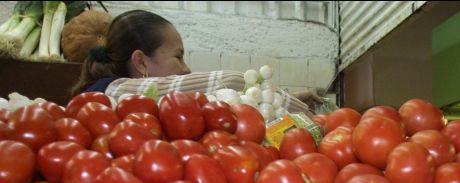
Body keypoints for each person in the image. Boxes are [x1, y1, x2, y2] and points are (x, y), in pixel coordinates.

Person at [71, 10, 322, 109]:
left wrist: (285, 95)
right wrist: (296, 107)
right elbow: (232, 83)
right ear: (141, 63)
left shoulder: (145, 99)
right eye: (178, 56)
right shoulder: (112, 90)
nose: (186, 68)